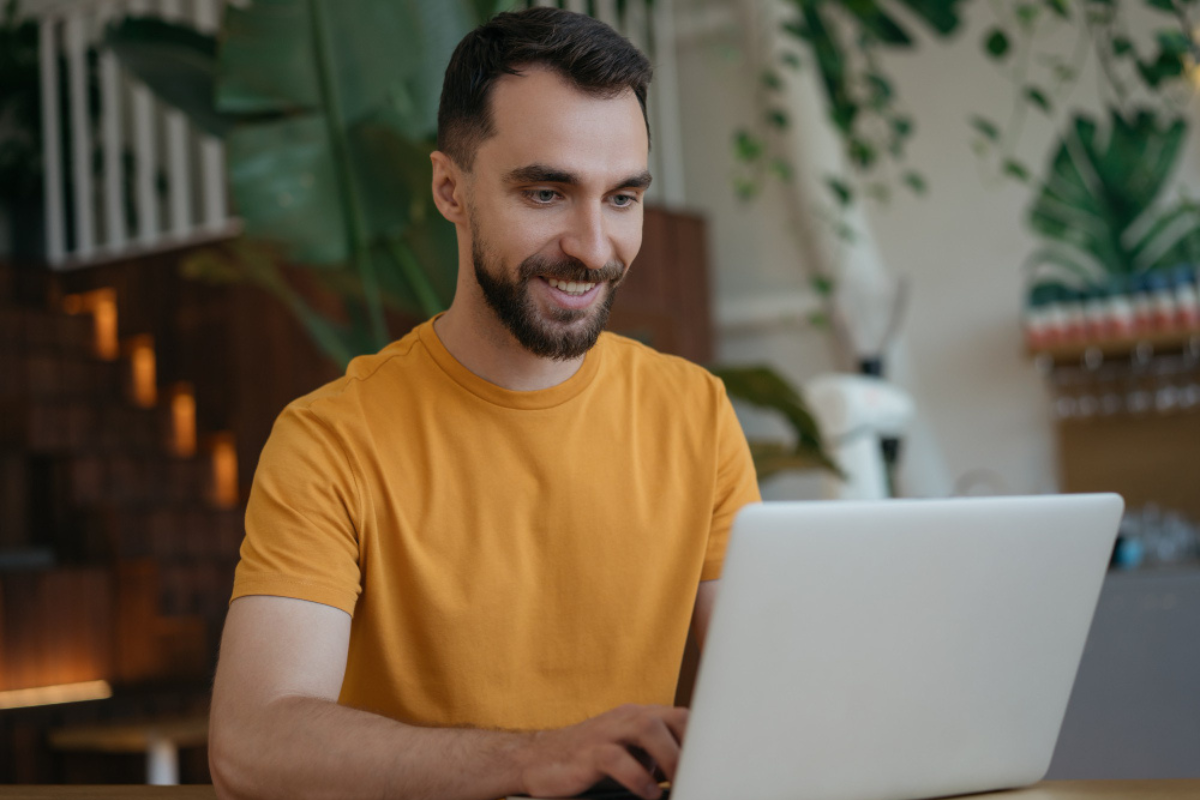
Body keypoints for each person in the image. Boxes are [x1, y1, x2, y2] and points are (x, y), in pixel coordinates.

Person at [208, 8, 760, 800]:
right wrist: (533, 760)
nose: (594, 247)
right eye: (546, 192)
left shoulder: (695, 412)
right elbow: (250, 744)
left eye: (622, 198)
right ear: (449, 189)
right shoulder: (329, 438)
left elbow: (772, 682)